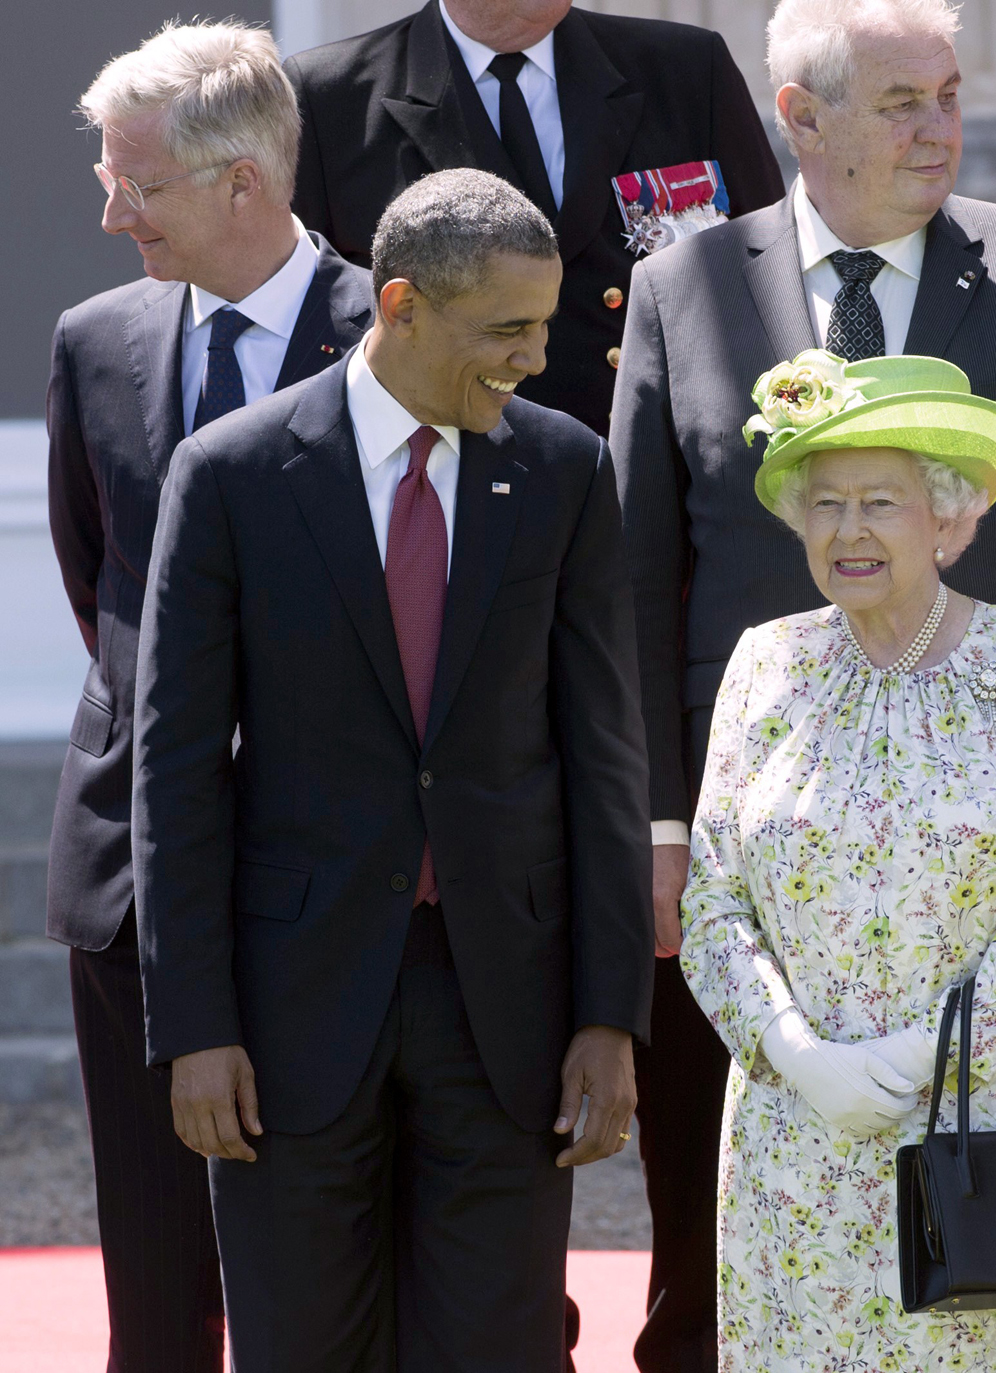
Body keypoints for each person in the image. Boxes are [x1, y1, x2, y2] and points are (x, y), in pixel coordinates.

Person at [610, 4, 996, 1354]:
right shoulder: (685, 284)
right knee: (728, 1168)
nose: (941, 127)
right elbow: (634, 568)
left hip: (982, 813)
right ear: (801, 117)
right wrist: (661, 819)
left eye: (950, 94)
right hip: (768, 809)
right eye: (904, 100)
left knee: (973, 1162)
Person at [130, 168, 654, 1373]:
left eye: (545, 324)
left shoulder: (565, 469)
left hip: (506, 1005)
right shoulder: (231, 473)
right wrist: (195, 1022)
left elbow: (602, 752)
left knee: (499, 1346)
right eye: (506, 330)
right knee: (302, 1342)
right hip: (288, 1013)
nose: (534, 357)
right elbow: (176, 770)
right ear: (404, 303)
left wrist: (606, 1011)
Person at [45, 23, 373, 1372]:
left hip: (339, 882)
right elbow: (103, 584)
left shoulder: (391, 340)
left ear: (245, 181)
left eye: (139, 183)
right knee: (157, 1282)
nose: (112, 211)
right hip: (134, 874)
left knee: (330, 1271)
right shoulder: (95, 340)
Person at [680, 348, 996, 1371]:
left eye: (882, 500)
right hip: (797, 1140)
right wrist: (800, 1056)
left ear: (948, 516)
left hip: (973, 1132)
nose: (849, 530)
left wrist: (923, 1061)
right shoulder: (765, 661)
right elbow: (712, 900)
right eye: (824, 503)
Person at [283, 0, 784, 439]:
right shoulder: (331, 98)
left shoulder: (687, 69)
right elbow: (316, 320)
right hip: (455, 480)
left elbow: (771, 270)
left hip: (654, 471)